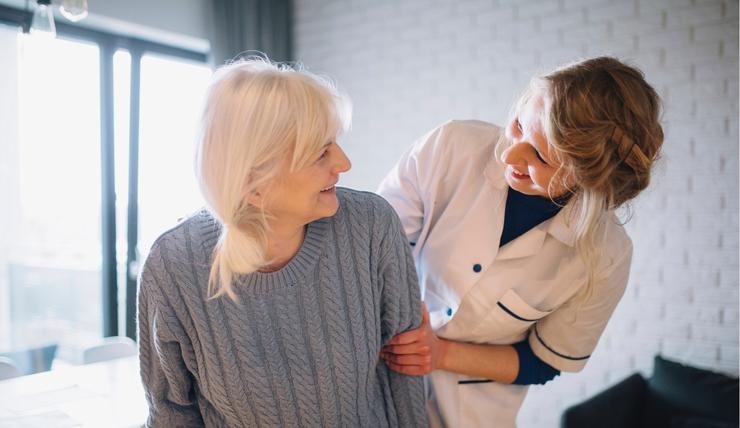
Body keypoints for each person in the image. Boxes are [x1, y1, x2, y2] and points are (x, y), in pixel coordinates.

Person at [137, 58, 428, 427]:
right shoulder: (174, 265)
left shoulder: (372, 226)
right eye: (320, 151)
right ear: (254, 183)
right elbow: (171, 414)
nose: (344, 162)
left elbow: (405, 377)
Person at [377, 56, 664, 427]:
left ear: (588, 181)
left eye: (541, 157)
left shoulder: (606, 256)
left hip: (473, 414)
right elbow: (372, 248)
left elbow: (543, 361)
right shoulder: (451, 147)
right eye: (518, 126)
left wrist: (439, 353)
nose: (510, 155)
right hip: (377, 383)